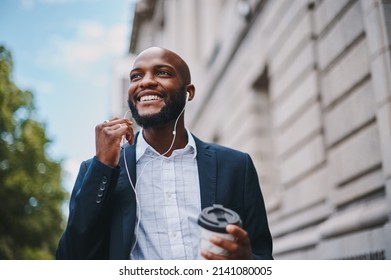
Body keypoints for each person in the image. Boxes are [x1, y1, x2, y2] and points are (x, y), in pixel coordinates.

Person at [56, 46, 273, 260]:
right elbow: (72, 258)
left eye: (162, 73)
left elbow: (263, 256)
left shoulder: (236, 166)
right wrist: (102, 167)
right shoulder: (99, 170)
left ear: (189, 92)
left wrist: (247, 263)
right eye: (136, 76)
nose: (145, 81)